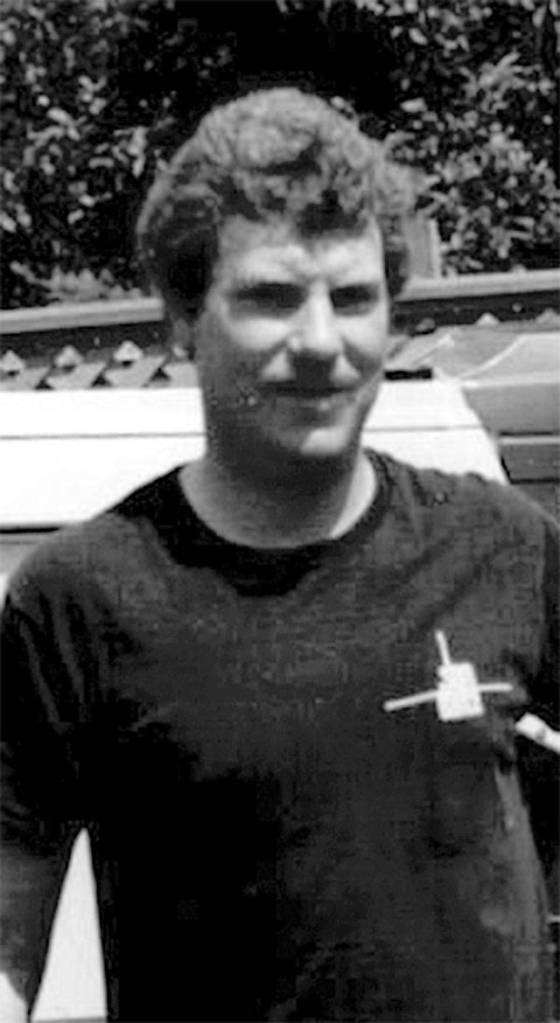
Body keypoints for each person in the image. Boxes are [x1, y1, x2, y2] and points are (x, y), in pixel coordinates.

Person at [1, 87, 558, 1023]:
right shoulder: (82, 600)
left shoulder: (503, 546)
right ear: (184, 319)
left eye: (354, 298)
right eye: (270, 298)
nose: (320, 342)